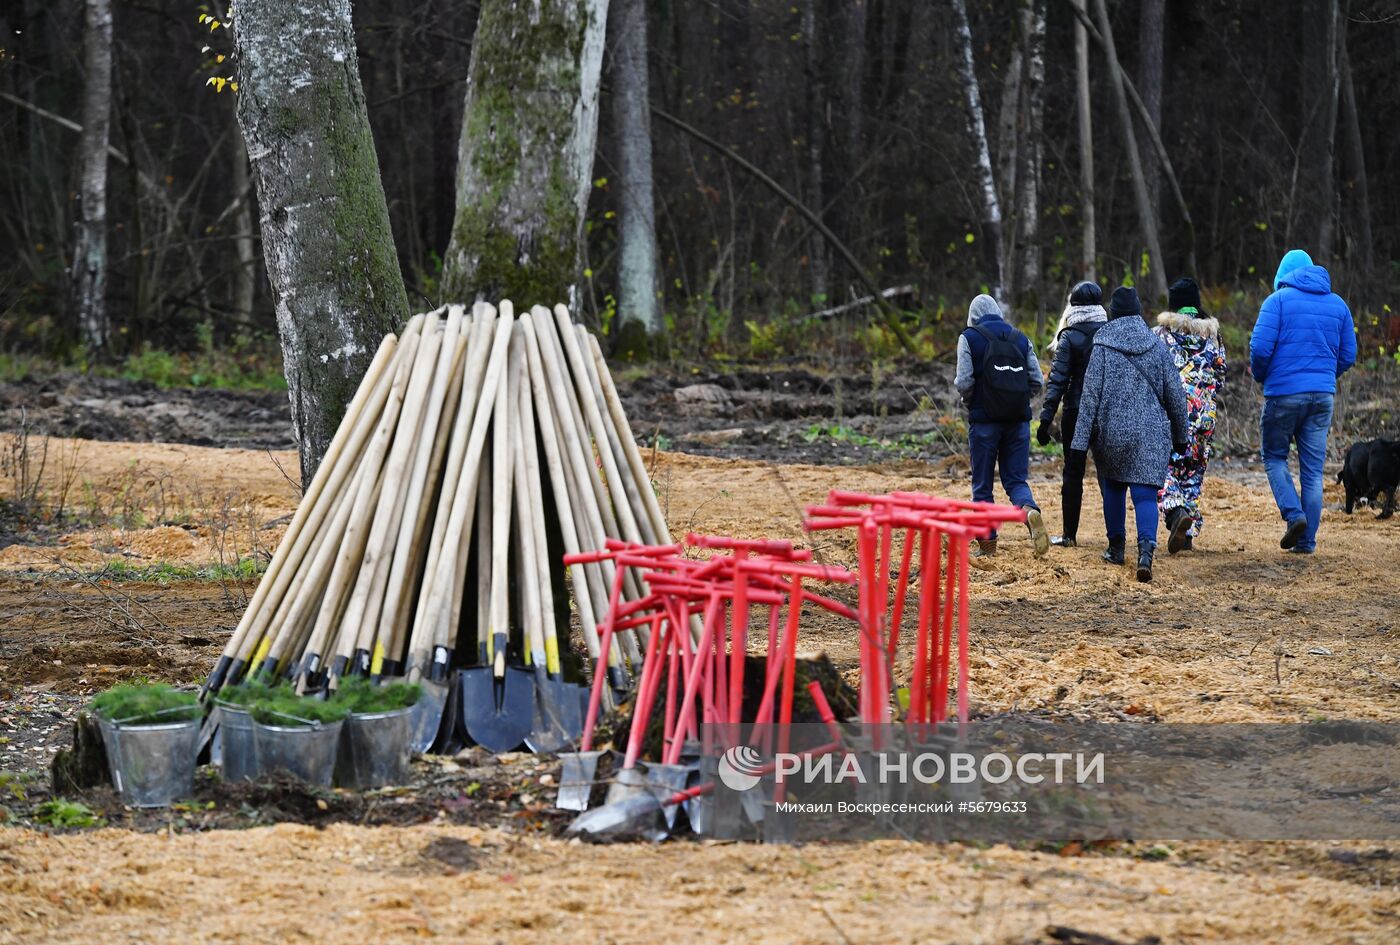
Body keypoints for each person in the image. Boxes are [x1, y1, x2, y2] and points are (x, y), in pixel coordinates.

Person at [1069, 287, 1190, 582]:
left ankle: (1116, 548)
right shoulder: (1156, 345)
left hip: (1111, 434)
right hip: (1150, 434)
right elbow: (1175, 395)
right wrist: (1181, 434)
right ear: (1138, 311)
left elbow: (1089, 399)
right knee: (1145, 495)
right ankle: (1146, 553)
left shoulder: (1102, 346)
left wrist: (1078, 445)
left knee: (1113, 489)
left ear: (1112, 312)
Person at [1250, 249, 1357, 554]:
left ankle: (1294, 515)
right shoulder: (1338, 305)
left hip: (1283, 394)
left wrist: (1263, 376)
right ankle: (1307, 542)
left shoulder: (1277, 302)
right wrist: (1324, 377)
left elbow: (1259, 349)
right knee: (1312, 471)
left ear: (1283, 275)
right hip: (1322, 397)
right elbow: (1348, 355)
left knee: (1273, 457)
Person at [955, 294, 1050, 558]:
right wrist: (1017, 400)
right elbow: (1036, 381)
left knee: (983, 485)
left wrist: (974, 402)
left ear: (973, 316)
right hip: (1018, 422)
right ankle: (1029, 511)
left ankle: (987, 544)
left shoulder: (969, 337)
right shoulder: (1020, 338)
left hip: (984, 423)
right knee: (1015, 480)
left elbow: (963, 382)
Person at [1154, 278, 1228, 554]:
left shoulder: (1160, 335)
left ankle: (1175, 515)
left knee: (1164, 467)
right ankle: (1187, 537)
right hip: (1203, 417)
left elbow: (1153, 374)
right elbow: (1221, 375)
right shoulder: (1213, 336)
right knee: (1192, 472)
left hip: (1170, 415)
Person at [1037, 281, 1109, 547]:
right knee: (1107, 473)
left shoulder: (1069, 335)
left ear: (1074, 305)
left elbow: (1057, 380)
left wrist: (1046, 419)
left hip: (1076, 411)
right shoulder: (1109, 333)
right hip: (1104, 411)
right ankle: (1116, 539)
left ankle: (1069, 535)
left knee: (1073, 472)